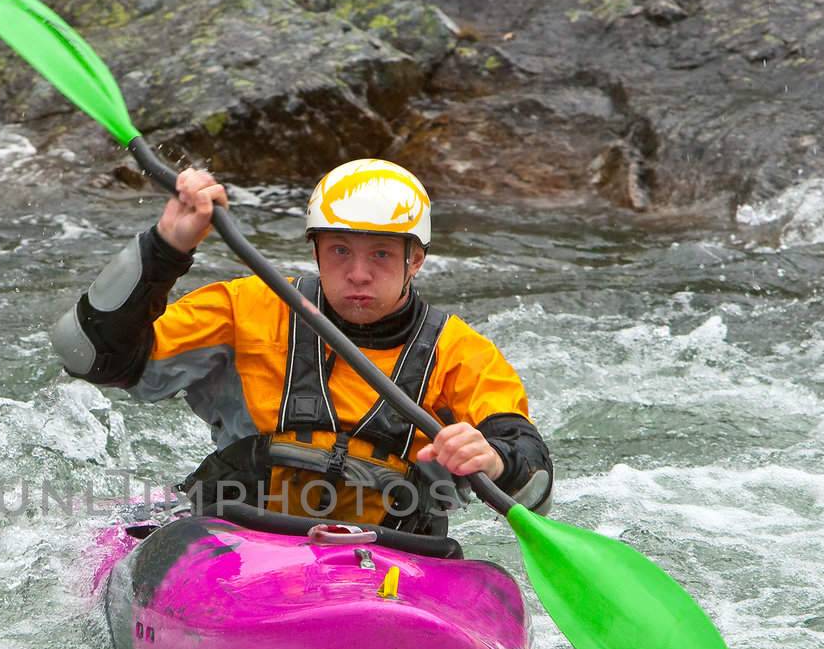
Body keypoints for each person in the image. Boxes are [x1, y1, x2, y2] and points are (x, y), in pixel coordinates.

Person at [50, 158, 553, 534]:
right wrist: (167, 247)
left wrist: (494, 460)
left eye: (381, 253)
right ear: (314, 250)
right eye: (339, 251)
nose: (358, 273)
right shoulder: (246, 308)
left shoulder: (462, 353)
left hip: (389, 558)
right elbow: (90, 355)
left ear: (415, 260)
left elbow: (534, 486)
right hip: (238, 536)